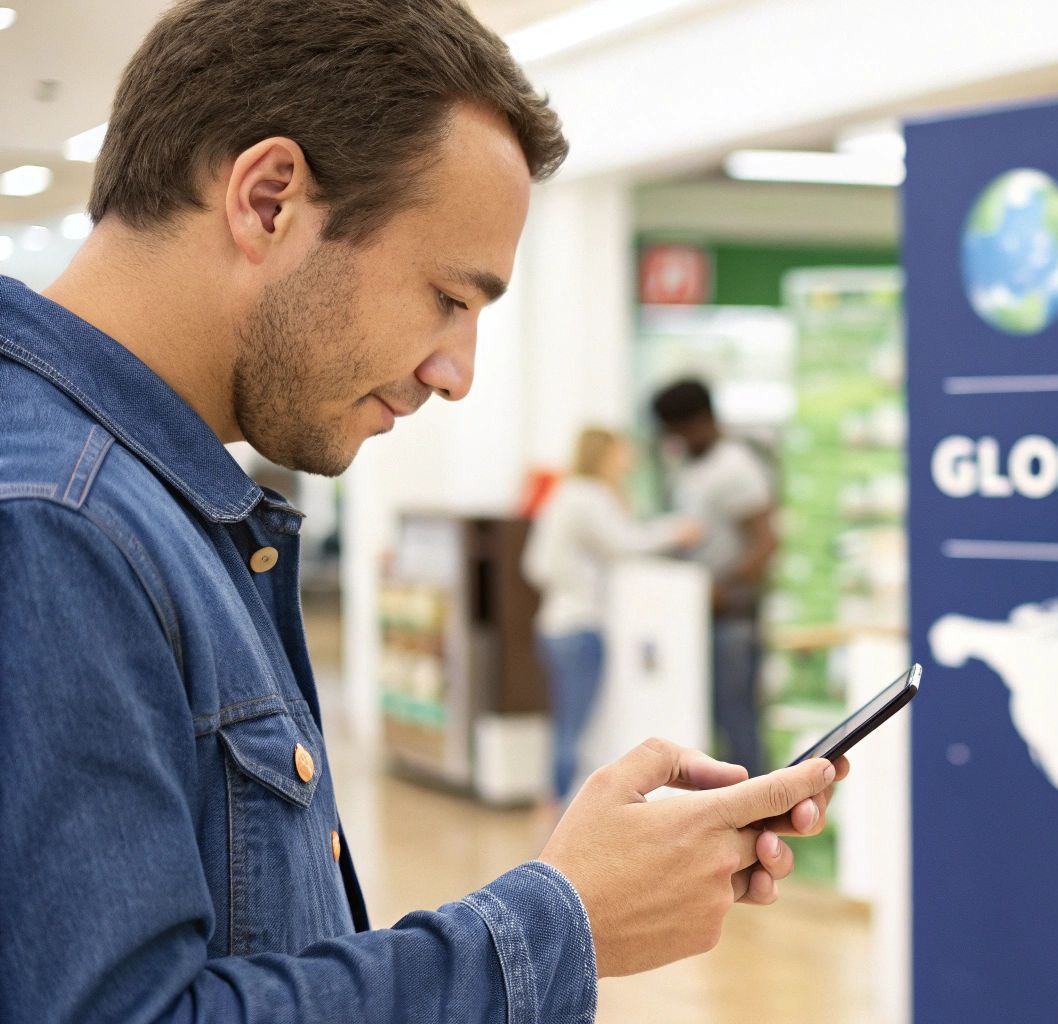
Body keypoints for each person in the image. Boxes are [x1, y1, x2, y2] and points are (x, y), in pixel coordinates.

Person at [0, 2, 844, 1021]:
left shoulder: (151, 510)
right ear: (268, 200)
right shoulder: (56, 522)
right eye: (448, 296)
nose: (458, 373)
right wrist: (559, 924)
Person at [522, 426, 701, 805]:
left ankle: (550, 811)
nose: (630, 461)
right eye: (624, 452)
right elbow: (626, 543)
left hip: (553, 626)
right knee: (575, 732)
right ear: (607, 455)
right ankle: (558, 819)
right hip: (580, 628)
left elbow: (534, 564)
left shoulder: (565, 494)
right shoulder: (590, 497)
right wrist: (676, 531)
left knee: (565, 726)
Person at [651, 379, 779, 775]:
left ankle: (762, 816)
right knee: (705, 725)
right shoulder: (689, 469)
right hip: (696, 616)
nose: (673, 440)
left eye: (677, 430)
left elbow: (764, 543)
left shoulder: (735, 466)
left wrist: (725, 589)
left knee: (737, 724)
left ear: (701, 421)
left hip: (730, 622)